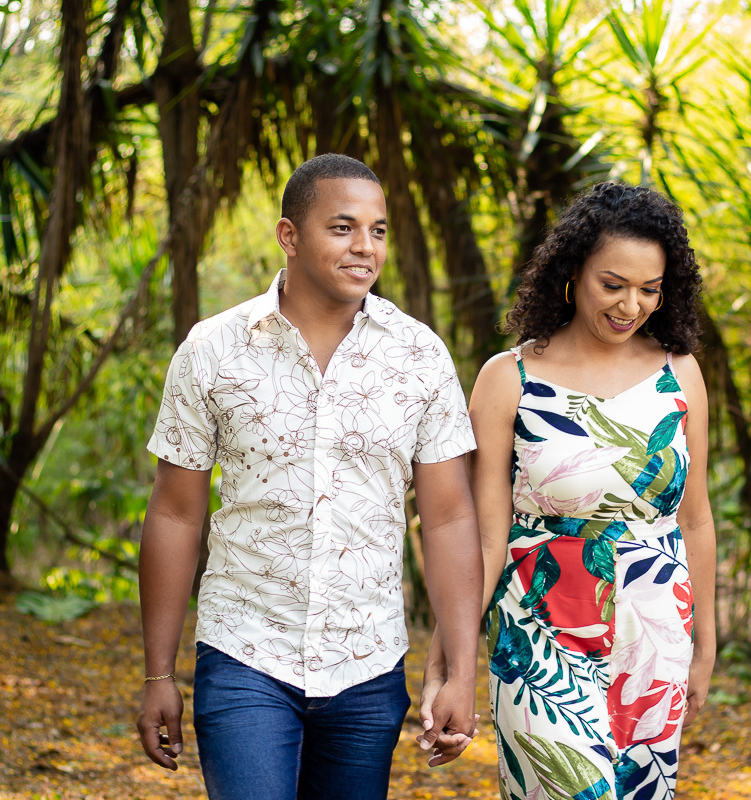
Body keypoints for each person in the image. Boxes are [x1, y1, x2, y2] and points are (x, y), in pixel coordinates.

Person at [135, 153, 484, 800]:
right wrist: (159, 674)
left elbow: (449, 517)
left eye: (377, 230)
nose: (365, 247)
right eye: (343, 227)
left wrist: (460, 670)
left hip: (368, 663)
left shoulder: (419, 357)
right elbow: (176, 513)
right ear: (289, 236)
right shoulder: (213, 350)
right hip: (245, 653)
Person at [420, 181, 717, 798]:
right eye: (613, 284)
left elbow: (696, 521)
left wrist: (704, 642)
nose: (631, 305)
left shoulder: (680, 374)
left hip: (655, 626)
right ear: (572, 271)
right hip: (541, 632)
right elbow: (485, 537)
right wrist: (445, 662)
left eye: (650, 290)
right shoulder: (509, 379)